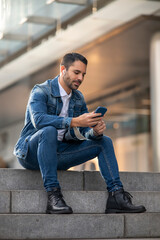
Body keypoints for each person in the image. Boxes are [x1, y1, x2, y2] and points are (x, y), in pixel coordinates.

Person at [14, 52, 146, 214]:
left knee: (104, 141)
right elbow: (39, 120)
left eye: (83, 74)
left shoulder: (78, 98)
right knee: (48, 131)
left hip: (61, 154)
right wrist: (76, 121)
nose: (80, 78)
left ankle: (116, 196)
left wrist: (94, 132)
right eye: (76, 73)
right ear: (63, 69)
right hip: (32, 154)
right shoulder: (40, 91)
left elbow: (84, 130)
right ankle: (53, 196)